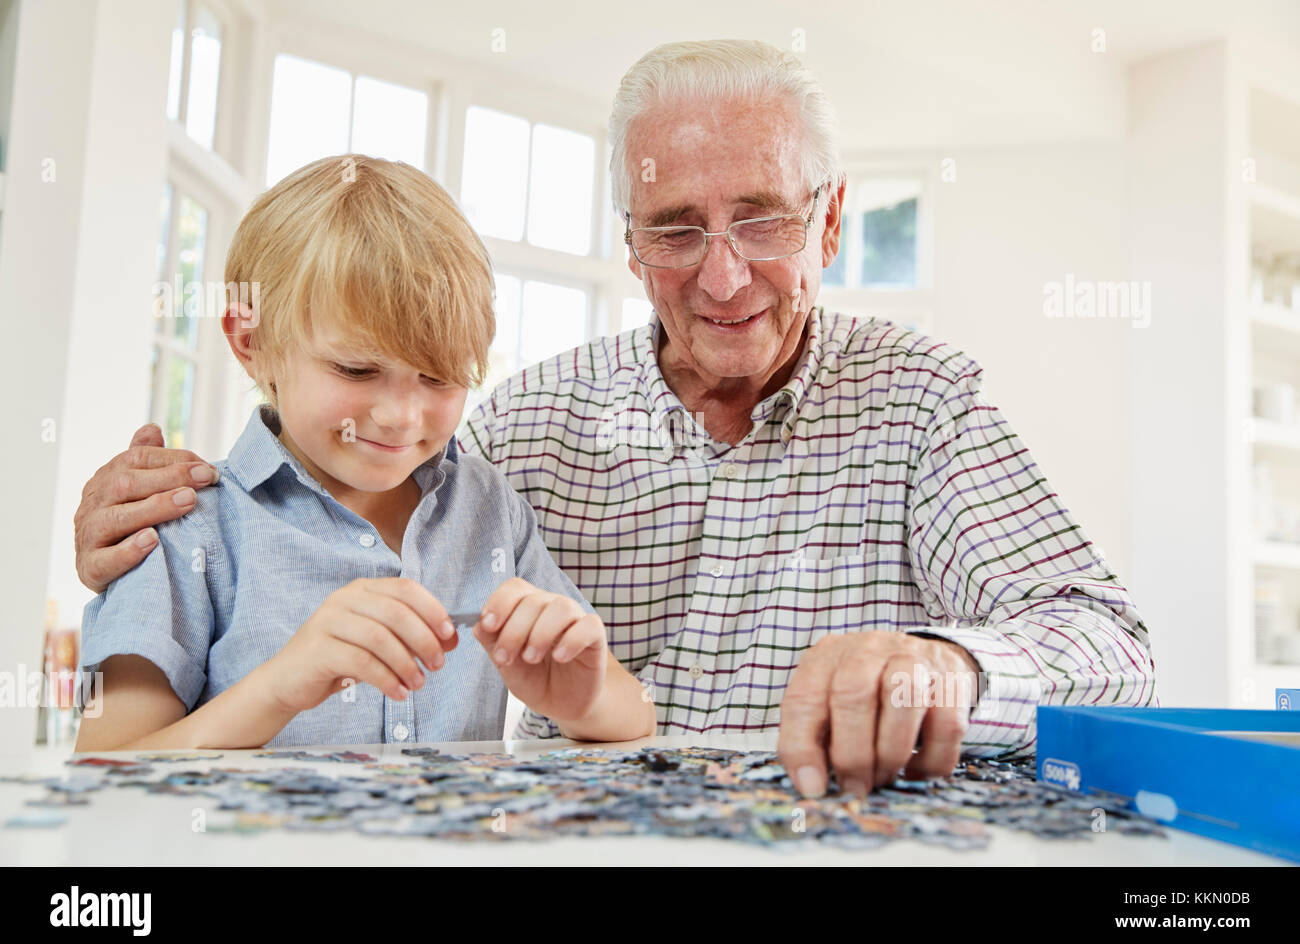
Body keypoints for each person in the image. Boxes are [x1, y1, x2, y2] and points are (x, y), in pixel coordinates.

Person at [73, 40, 1154, 794]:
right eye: (676, 228)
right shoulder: (519, 430)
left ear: (829, 220)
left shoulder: (924, 399)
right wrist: (137, 529)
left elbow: (1111, 645)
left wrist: (944, 663)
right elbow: (329, 480)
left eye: (763, 218)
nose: (723, 275)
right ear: (628, 242)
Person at [72, 154, 654, 751]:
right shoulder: (183, 527)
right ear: (253, 343)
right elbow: (103, 771)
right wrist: (278, 688)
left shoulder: (488, 508)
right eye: (356, 369)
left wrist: (583, 701)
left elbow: (631, 710)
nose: (401, 416)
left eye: (438, 377)